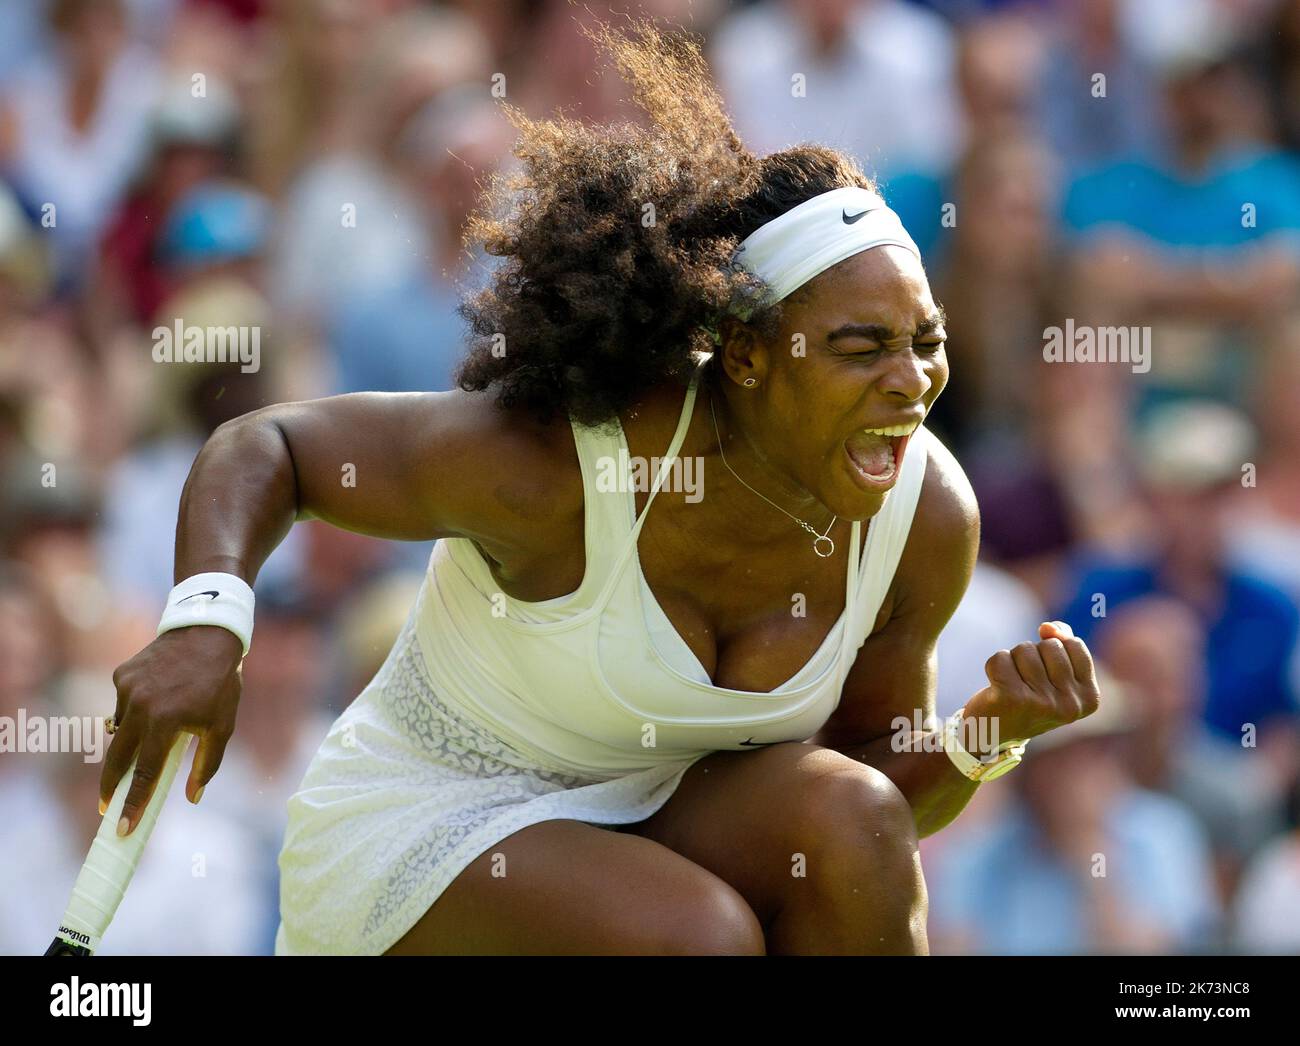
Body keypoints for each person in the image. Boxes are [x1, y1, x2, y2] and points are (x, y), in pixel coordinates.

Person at [101, 22, 1101, 956]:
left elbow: (872, 791)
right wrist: (204, 620)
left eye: (924, 340)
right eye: (861, 346)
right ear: (748, 355)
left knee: (851, 821)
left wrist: (984, 737)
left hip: (669, 824)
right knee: (701, 935)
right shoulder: (565, 461)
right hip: (437, 824)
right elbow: (271, 443)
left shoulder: (924, 512)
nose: (913, 378)